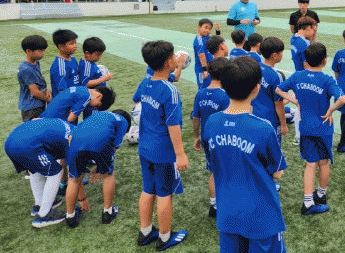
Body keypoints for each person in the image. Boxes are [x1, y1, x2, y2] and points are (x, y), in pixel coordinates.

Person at [203, 56, 287, 252]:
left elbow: (213, 163)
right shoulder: (263, 127)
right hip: (261, 215)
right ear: (256, 88)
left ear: (224, 85)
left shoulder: (212, 123)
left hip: (228, 212)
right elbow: (277, 172)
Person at [276, 43, 345, 215]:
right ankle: (321, 195)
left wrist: (295, 101)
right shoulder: (327, 79)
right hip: (323, 128)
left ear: (305, 61)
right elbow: (342, 99)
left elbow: (278, 90)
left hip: (305, 127)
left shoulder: (297, 76)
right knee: (324, 162)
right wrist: (331, 110)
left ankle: (307, 202)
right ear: (325, 60)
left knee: (310, 164)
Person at [135, 40, 188, 250]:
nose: (176, 59)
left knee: (148, 189)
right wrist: (180, 154)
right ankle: (165, 237)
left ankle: (145, 232)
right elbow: (172, 125)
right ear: (168, 62)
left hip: (145, 147)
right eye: (174, 56)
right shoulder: (169, 91)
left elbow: (137, 102)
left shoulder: (146, 82)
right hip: (163, 151)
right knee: (164, 192)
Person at [64, 110, 131, 228]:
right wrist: (101, 167)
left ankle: (70, 217)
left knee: (73, 180)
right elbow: (114, 146)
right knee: (108, 175)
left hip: (76, 140)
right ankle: (107, 213)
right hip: (100, 140)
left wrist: (98, 166)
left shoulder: (99, 115)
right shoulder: (123, 121)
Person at [4, 118, 72, 228]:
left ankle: (39, 205)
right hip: (26, 145)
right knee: (56, 172)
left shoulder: (65, 125)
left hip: (11, 142)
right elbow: (73, 173)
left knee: (35, 169)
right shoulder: (73, 139)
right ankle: (44, 215)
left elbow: (37, 120)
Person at [192, 57, 230, 218]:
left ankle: (214, 205)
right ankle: (227, 202)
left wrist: (196, 136)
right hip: (223, 139)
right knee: (228, 170)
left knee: (214, 171)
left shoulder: (201, 93)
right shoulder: (225, 96)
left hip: (206, 136)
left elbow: (196, 117)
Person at [253, 37, 289, 140]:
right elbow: (278, 103)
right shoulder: (276, 76)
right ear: (274, 56)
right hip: (270, 119)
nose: (282, 55)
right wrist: (283, 125)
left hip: (253, 113)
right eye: (281, 52)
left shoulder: (255, 67)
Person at [18, 35, 52, 121]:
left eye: (43, 50)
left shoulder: (36, 62)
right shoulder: (26, 69)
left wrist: (46, 89)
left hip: (38, 104)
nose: (43, 53)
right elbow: (35, 92)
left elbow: (38, 81)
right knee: (34, 128)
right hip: (31, 108)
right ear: (28, 51)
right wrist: (48, 100)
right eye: (40, 51)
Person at [40, 86, 116, 124]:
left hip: (43, 119)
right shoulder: (86, 96)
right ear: (99, 96)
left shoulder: (81, 89)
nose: (93, 107)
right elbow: (70, 119)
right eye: (97, 105)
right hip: (51, 123)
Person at [78, 37, 113, 119]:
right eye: (97, 55)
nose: (99, 57)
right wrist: (104, 79)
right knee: (92, 120)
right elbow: (86, 83)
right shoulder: (86, 65)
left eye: (101, 54)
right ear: (87, 53)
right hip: (93, 100)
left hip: (97, 98)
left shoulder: (91, 62)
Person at [49, 29, 80, 97]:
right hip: (67, 101)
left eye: (75, 42)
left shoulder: (73, 59)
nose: (75, 46)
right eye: (71, 43)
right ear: (61, 47)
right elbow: (62, 92)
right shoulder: (60, 66)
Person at [193, 18, 221, 89]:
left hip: (210, 68)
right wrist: (205, 70)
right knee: (203, 88)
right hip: (202, 70)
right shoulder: (199, 40)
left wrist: (217, 30)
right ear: (199, 27)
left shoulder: (207, 37)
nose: (208, 30)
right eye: (206, 28)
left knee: (211, 86)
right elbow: (201, 55)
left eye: (210, 29)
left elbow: (217, 40)